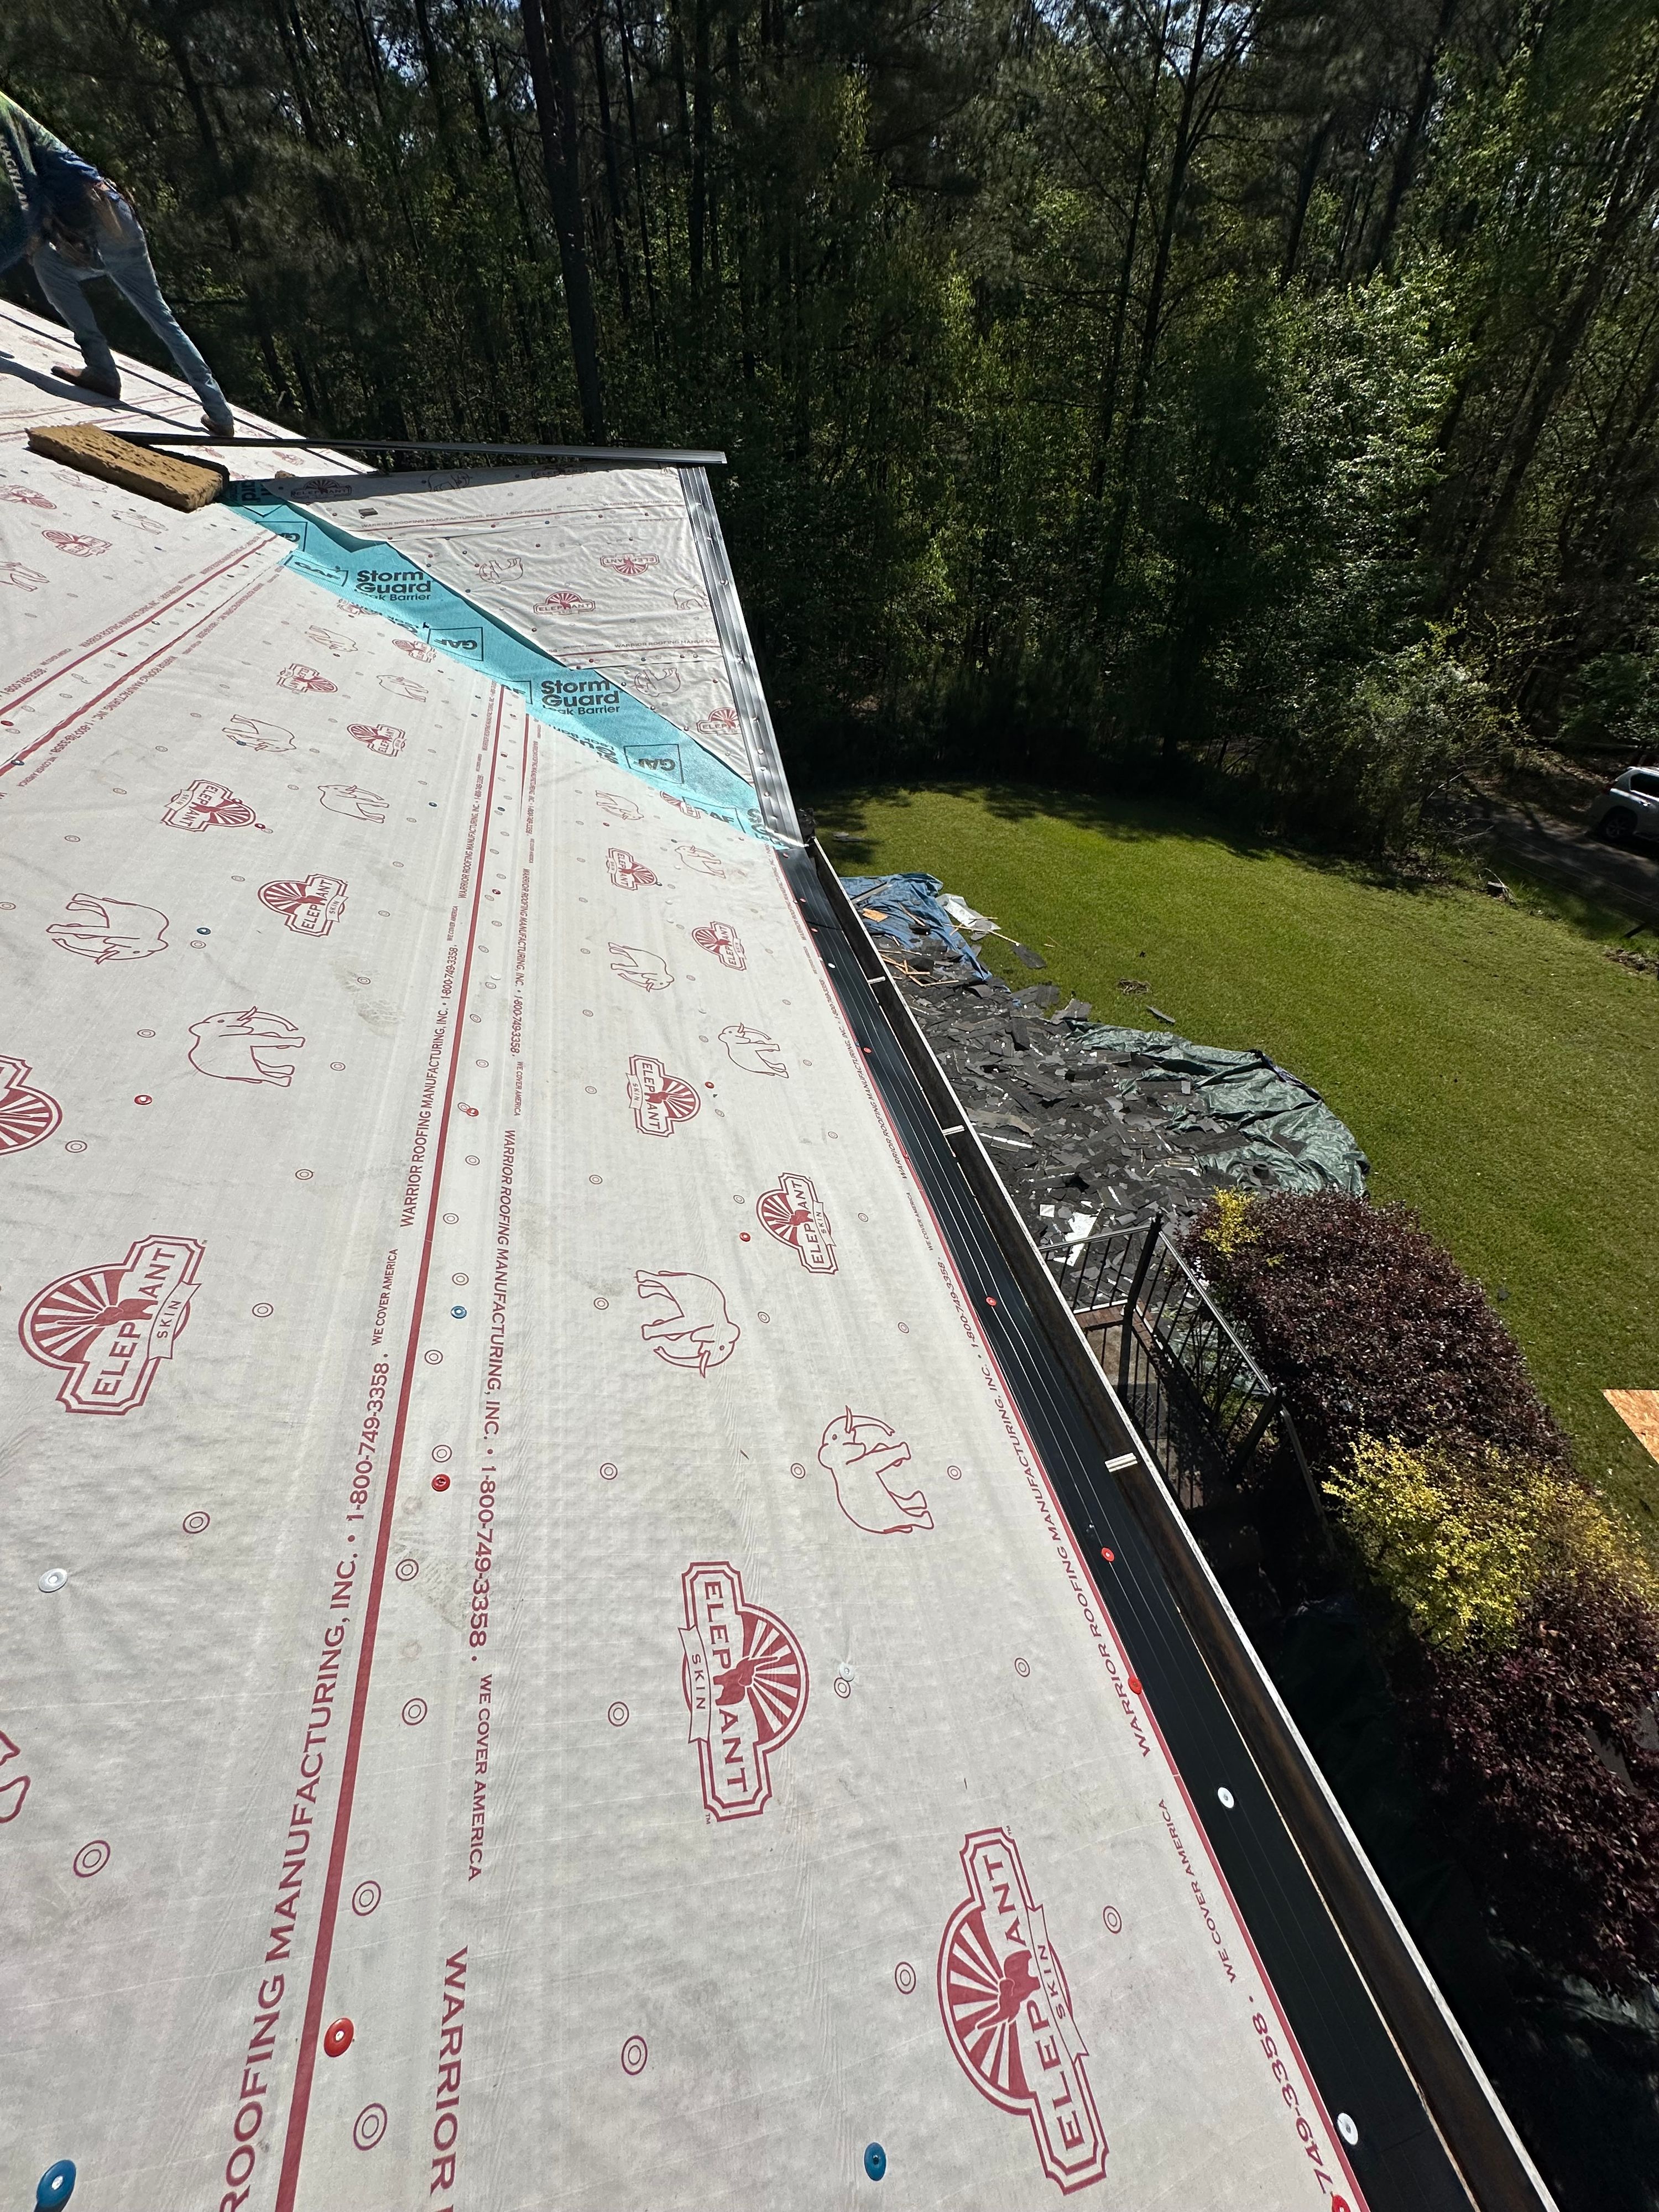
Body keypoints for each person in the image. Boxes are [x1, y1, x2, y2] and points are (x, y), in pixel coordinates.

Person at [0, 88, 233, 436]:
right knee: (161, 318)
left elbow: (26, 201)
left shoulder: (3, 118)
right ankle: (219, 412)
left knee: (47, 264)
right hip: (116, 215)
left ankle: (102, 370)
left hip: (99, 219)